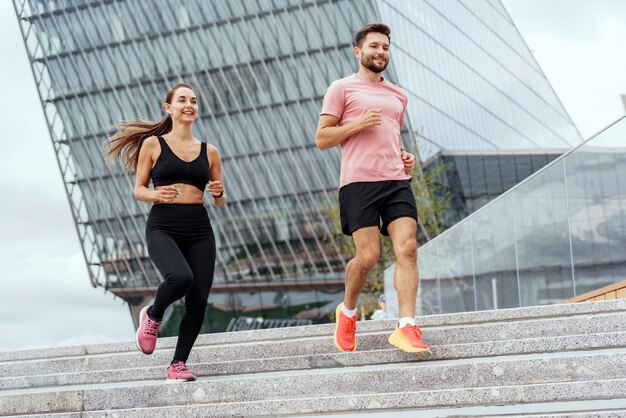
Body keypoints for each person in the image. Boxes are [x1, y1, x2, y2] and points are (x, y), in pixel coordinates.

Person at [315, 23, 431, 356]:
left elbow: (392, 136)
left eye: (385, 47)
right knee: (368, 257)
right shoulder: (341, 89)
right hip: (358, 182)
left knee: (407, 248)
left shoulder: (398, 95)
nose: (380, 52)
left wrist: (403, 154)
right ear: (358, 51)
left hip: (396, 181)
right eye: (374, 47)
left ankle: (406, 325)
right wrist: (357, 124)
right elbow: (322, 138)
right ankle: (348, 312)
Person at [103, 83, 226, 381]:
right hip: (163, 224)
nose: (189, 105)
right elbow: (139, 190)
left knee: (198, 298)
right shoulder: (154, 145)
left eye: (194, 101)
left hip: (199, 226)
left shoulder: (210, 152)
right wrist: (156, 196)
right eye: (182, 100)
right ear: (168, 107)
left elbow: (219, 201)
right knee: (180, 278)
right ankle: (153, 315)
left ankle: (177, 364)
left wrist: (219, 194)